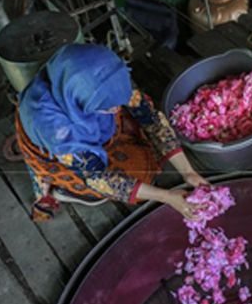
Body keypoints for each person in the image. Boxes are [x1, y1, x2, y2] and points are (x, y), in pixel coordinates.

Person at [16, 43, 207, 222]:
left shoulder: (105, 73)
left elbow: (149, 116)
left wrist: (188, 172)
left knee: (139, 135)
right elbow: (96, 177)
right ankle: (66, 191)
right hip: (62, 147)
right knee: (133, 177)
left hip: (88, 119)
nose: (117, 110)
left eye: (117, 104)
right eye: (109, 108)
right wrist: (166, 197)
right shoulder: (56, 128)